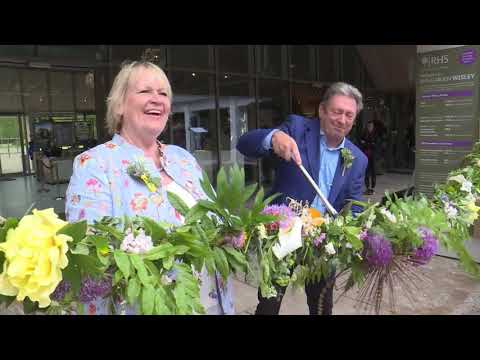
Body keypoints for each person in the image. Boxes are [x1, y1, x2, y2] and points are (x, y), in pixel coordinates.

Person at [65, 61, 234, 315]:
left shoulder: (183, 158)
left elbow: (214, 218)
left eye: (163, 93)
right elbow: (93, 253)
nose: (157, 99)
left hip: (212, 303)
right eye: (145, 91)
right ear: (119, 104)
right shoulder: (95, 164)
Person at [236, 82, 367, 315]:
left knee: (321, 307)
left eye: (349, 115)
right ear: (322, 110)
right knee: (268, 304)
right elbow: (244, 144)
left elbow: (354, 203)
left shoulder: (358, 158)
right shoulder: (297, 128)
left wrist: (357, 233)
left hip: (323, 241)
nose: (342, 120)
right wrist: (274, 137)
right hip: (283, 233)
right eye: (337, 111)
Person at [360, 120, 377, 195]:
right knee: (366, 171)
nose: (370, 127)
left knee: (373, 171)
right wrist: (369, 144)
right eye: (369, 126)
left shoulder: (375, 134)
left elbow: (375, 144)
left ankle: (372, 188)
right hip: (366, 154)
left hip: (373, 155)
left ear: (373, 127)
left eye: (371, 126)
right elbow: (361, 143)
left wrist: (367, 143)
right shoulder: (364, 133)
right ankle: (367, 187)